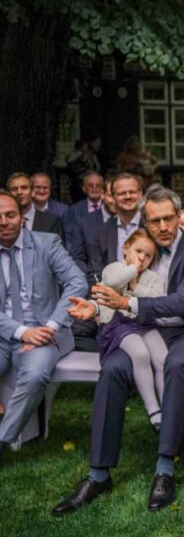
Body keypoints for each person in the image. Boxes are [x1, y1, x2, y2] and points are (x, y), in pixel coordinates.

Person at [56, 186, 184, 515]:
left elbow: (183, 301)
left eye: (169, 218)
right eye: (155, 221)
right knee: (113, 369)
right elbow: (113, 286)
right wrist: (96, 304)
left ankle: (164, 468)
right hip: (142, 329)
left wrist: (127, 303)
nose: (163, 227)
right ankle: (98, 474)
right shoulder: (141, 250)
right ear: (146, 222)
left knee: (176, 364)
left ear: (178, 216)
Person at [0, 191, 85, 457]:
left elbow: (77, 282)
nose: (3, 221)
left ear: (22, 217)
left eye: (10, 215)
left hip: (46, 334)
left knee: (36, 375)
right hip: (5, 334)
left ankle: (2, 441)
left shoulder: (47, 243)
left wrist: (50, 326)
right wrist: (22, 332)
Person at [91, 229, 167, 430]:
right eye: (138, 251)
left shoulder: (152, 277)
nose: (142, 258)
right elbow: (113, 282)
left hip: (143, 322)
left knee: (161, 357)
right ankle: (153, 409)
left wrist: (135, 285)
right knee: (140, 353)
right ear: (126, 248)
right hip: (117, 324)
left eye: (148, 255)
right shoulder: (113, 268)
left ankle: (169, 409)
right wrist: (133, 269)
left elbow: (156, 299)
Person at [86, 173, 143, 280]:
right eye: (122, 193)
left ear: (140, 194)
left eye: (132, 192)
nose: (128, 196)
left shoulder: (151, 226)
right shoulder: (102, 231)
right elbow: (95, 272)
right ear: (113, 197)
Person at [6, 172, 62, 239]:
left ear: (33, 192)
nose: (19, 192)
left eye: (24, 188)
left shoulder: (51, 221)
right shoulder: (3, 222)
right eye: (14, 189)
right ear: (9, 194)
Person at [62, 172, 105, 246]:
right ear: (84, 189)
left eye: (98, 185)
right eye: (90, 185)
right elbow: (69, 238)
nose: (94, 188)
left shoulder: (111, 208)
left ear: (103, 189)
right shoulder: (73, 211)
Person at [65, 136, 102, 202]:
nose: (98, 145)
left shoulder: (93, 156)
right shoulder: (79, 155)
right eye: (97, 142)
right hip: (80, 187)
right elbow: (69, 160)